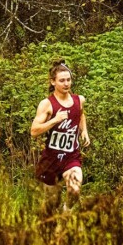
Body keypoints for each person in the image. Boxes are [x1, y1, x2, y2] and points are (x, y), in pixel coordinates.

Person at [30, 58, 89, 203]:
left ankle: (66, 215)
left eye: (68, 80)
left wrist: (84, 131)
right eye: (62, 80)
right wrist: (54, 120)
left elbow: (81, 114)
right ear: (53, 82)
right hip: (51, 160)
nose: (66, 83)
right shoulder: (47, 104)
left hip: (71, 157)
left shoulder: (79, 100)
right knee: (51, 203)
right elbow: (34, 131)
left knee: (74, 190)